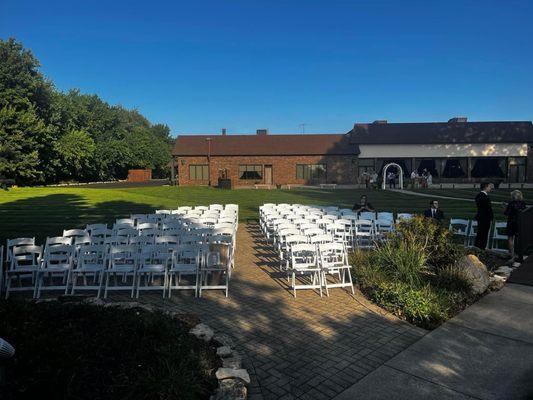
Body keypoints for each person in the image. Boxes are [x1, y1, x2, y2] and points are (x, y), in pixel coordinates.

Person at [503, 190, 527, 258]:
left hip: (511, 222)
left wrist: (504, 207)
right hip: (519, 223)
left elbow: (506, 213)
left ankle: (512, 254)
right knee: (518, 238)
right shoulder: (523, 203)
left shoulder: (511, 203)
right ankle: (518, 253)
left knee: (510, 238)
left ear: (513, 196)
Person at [474, 182, 494, 249]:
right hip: (485, 218)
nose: (490, 188)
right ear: (485, 187)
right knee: (483, 234)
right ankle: (481, 248)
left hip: (481, 217)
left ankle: (478, 248)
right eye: (489, 186)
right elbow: (487, 208)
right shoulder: (483, 196)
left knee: (480, 234)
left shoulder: (479, 195)